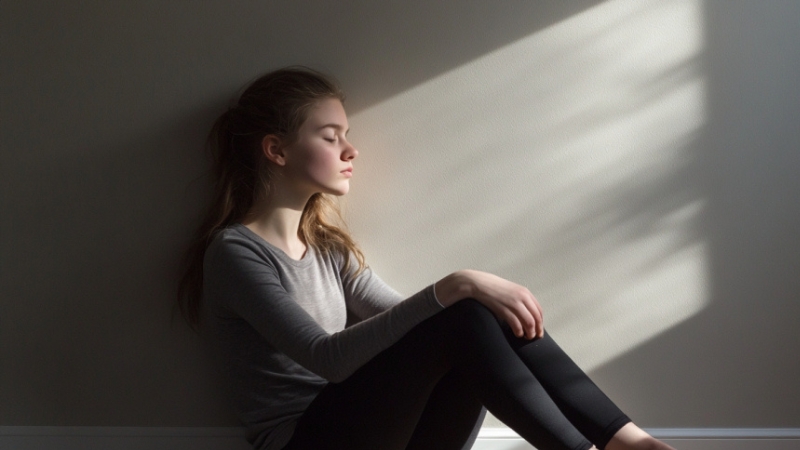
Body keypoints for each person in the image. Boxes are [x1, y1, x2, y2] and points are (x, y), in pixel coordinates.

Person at [177, 66, 676, 450]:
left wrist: (466, 296)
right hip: (306, 441)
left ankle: (627, 440)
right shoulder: (235, 253)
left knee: (474, 315)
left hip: (379, 435)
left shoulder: (327, 248)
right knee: (460, 310)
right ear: (276, 150)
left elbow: (418, 327)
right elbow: (328, 359)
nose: (350, 150)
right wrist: (455, 284)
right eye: (330, 137)